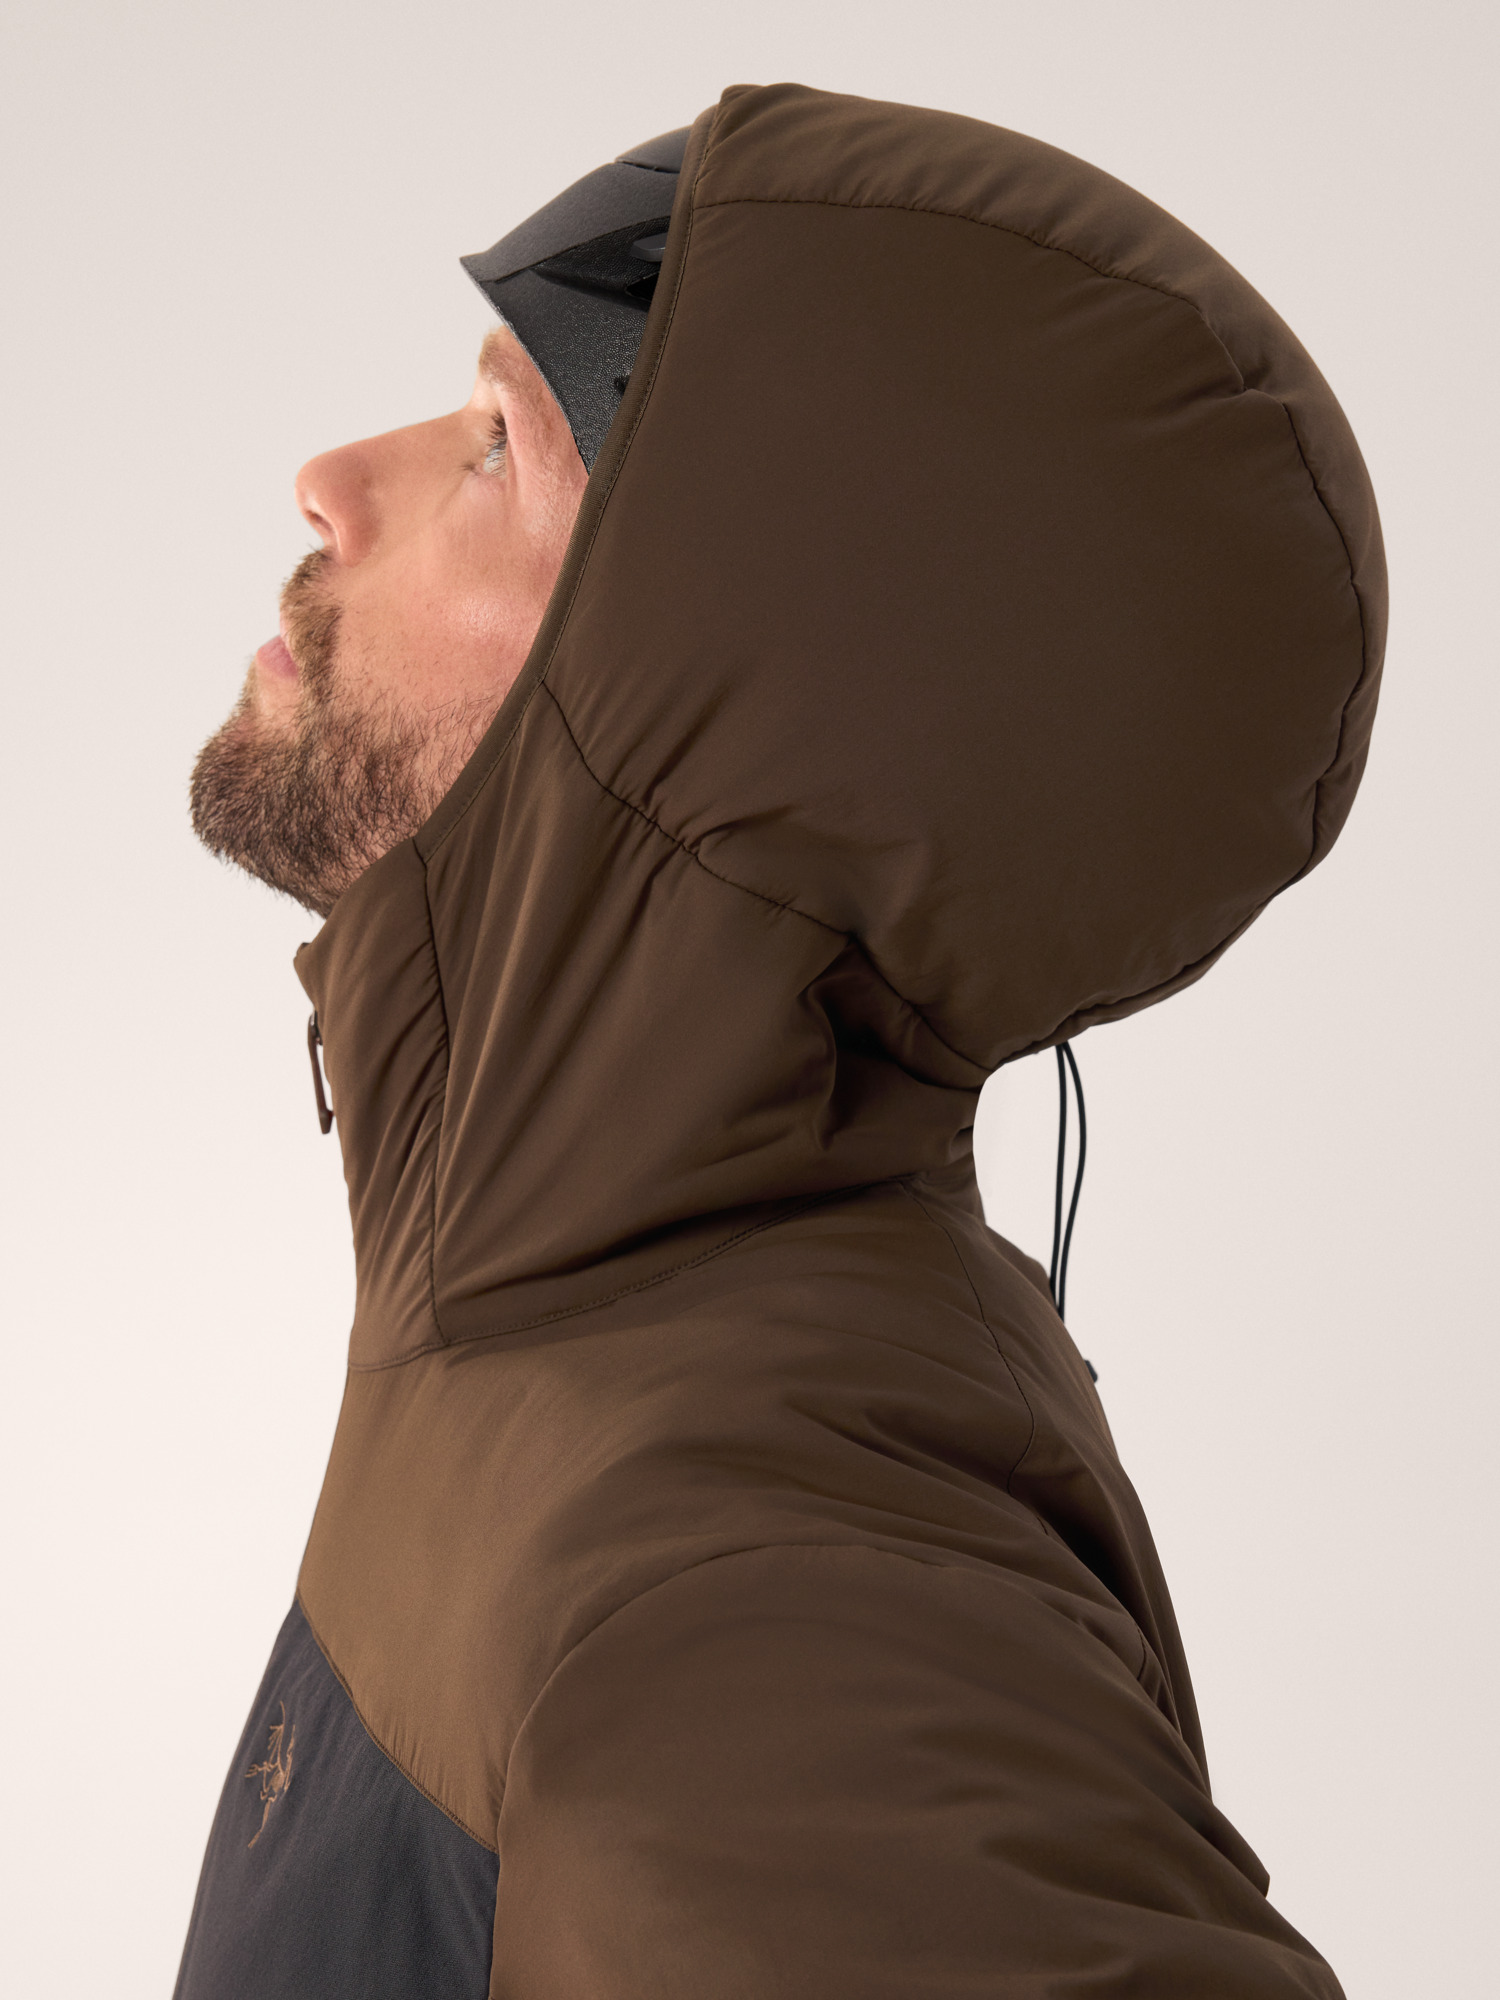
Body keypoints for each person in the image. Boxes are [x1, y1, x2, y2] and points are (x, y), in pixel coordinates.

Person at [176, 82, 1384, 2000]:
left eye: (499, 446)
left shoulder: (752, 1585)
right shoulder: (553, 1334)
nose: (334, 477)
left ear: (723, 706)